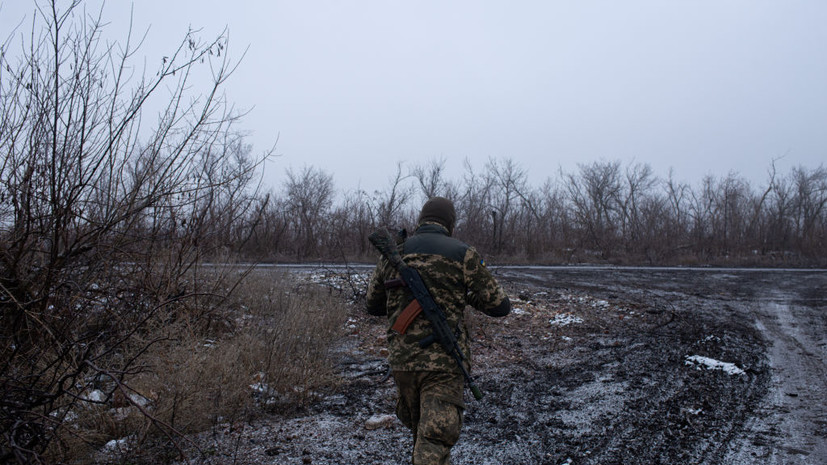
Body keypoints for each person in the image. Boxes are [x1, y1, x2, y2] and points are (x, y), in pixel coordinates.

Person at [366, 196, 511, 465]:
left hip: (403, 362)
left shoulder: (395, 252)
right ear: (450, 224)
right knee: (433, 441)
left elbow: (373, 305)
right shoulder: (462, 253)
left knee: (424, 438)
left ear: (421, 220)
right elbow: (500, 306)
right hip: (443, 365)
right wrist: (460, 293)